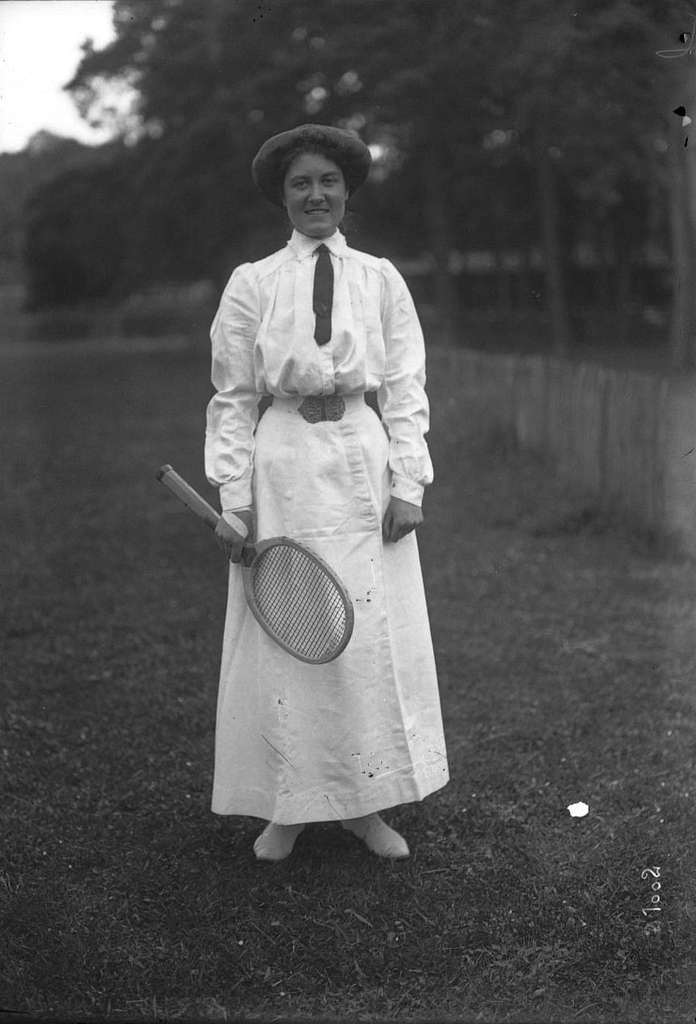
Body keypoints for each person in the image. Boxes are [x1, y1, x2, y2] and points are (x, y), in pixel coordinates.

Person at [205, 123, 449, 862]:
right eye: (300, 184)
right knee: (291, 628)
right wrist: (233, 496)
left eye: (328, 182)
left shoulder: (379, 278)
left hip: (361, 460)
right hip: (284, 465)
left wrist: (407, 481)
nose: (316, 195)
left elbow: (406, 388)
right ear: (282, 198)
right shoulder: (253, 282)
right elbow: (232, 396)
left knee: (367, 633)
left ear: (347, 190)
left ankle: (366, 804)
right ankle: (290, 806)